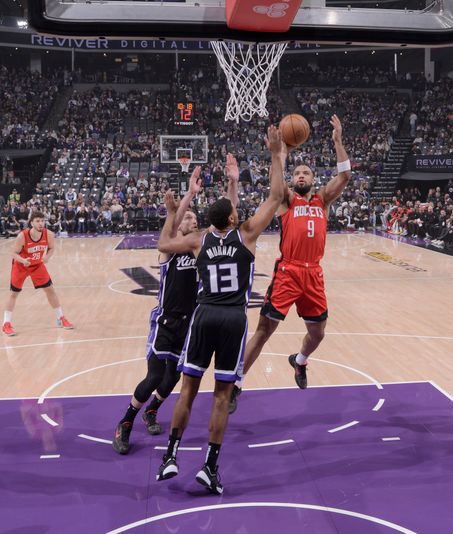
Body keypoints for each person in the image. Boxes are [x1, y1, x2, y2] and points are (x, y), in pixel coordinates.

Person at [154, 126, 286, 495]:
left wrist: (174, 208)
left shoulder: (198, 239)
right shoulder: (246, 234)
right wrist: (276, 153)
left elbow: (165, 241)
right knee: (222, 396)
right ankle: (210, 467)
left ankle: (170, 456)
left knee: (187, 390)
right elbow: (277, 195)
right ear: (232, 218)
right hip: (232, 319)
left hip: (204, 315)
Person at [111, 162, 237, 454]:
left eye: (194, 218)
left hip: (190, 324)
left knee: (173, 378)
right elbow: (169, 233)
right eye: (187, 218)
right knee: (154, 376)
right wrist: (186, 200)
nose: (192, 221)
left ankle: (152, 410)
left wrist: (229, 185)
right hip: (166, 322)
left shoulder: (201, 245)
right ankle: (126, 421)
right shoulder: (168, 252)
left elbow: (224, 221)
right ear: (180, 224)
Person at [230, 114, 352, 412]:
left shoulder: (322, 200)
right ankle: (236, 383)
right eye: (296, 172)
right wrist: (279, 155)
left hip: (314, 274)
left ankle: (299, 361)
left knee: (318, 333)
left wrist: (338, 142)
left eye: (306, 172)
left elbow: (345, 176)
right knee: (263, 330)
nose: (300, 175)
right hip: (288, 271)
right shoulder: (286, 200)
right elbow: (275, 185)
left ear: (313, 180)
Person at [2, 211, 74, 336]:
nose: (41, 223)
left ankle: (60, 318)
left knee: (50, 290)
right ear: (31, 223)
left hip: (37, 265)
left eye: (42, 221)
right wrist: (23, 260)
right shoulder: (22, 236)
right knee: (14, 293)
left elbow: (51, 248)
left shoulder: (49, 234)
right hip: (21, 265)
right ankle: (6, 323)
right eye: (37, 221)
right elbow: (13, 253)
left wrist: (47, 257)